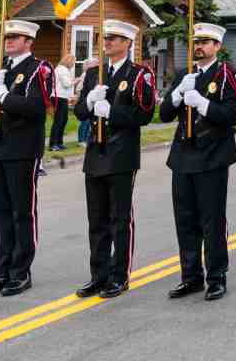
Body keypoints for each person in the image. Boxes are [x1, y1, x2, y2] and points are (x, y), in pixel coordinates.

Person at [0, 20, 54, 297]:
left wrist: (4, 96)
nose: (8, 41)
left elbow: (38, 108)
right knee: (1, 212)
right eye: (7, 37)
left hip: (21, 149)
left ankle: (20, 272)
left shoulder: (38, 69)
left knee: (22, 212)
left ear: (29, 41)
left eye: (15, 37)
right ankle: (1, 271)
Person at [160, 23, 236, 302]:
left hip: (212, 156)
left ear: (218, 46)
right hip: (183, 156)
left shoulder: (228, 75)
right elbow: (164, 115)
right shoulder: (185, 75)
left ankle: (216, 276)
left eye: (206, 42)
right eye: (197, 42)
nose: (199, 47)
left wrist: (203, 103)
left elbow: (233, 114)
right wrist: (178, 94)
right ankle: (191, 276)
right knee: (185, 220)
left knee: (212, 220)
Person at [74, 19, 155, 300]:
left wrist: (112, 113)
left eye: (113, 38)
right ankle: (99, 275)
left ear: (128, 43)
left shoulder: (138, 75)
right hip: (95, 153)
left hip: (121, 154)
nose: (106, 42)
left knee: (119, 219)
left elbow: (144, 115)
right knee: (96, 220)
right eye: (105, 38)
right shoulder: (94, 74)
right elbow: (79, 115)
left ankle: (119, 276)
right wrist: (88, 102)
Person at [49, 55, 77, 152]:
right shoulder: (63, 70)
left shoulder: (60, 69)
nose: (73, 64)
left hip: (61, 97)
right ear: (69, 61)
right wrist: (75, 81)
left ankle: (59, 142)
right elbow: (66, 84)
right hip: (59, 97)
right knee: (59, 121)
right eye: (73, 62)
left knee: (63, 120)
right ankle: (53, 144)